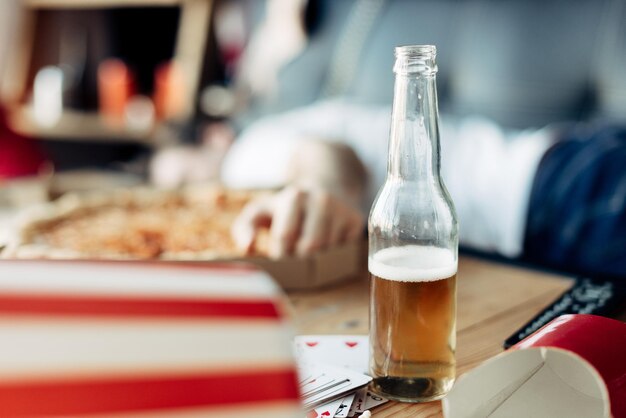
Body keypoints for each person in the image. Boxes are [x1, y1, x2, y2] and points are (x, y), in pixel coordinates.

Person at [152, 0, 626, 277]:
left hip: (552, 189)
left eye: (182, 177)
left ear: (213, 138)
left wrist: (324, 193)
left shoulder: (249, 151)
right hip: (546, 200)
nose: (187, 195)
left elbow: (325, 158)